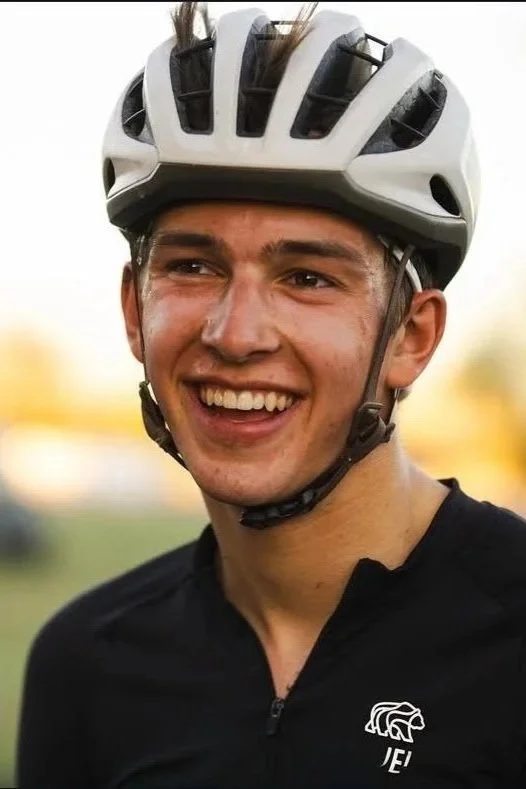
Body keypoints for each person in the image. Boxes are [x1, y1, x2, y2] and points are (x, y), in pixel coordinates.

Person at [16, 2, 526, 787]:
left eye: (307, 278)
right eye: (192, 265)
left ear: (411, 337)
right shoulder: (85, 665)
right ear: (132, 309)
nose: (237, 332)